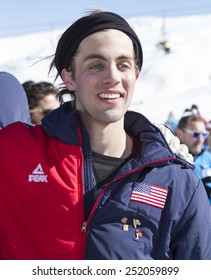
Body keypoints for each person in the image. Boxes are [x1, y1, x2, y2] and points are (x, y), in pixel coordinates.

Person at [0, 10, 211, 260]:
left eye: (123, 65)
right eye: (96, 65)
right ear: (68, 77)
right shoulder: (13, 152)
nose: (112, 77)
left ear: (135, 75)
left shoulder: (175, 179)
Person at [176, 114, 211, 204]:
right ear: (180, 134)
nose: (200, 139)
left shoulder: (208, 157)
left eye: (204, 134)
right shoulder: (172, 160)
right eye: (196, 134)